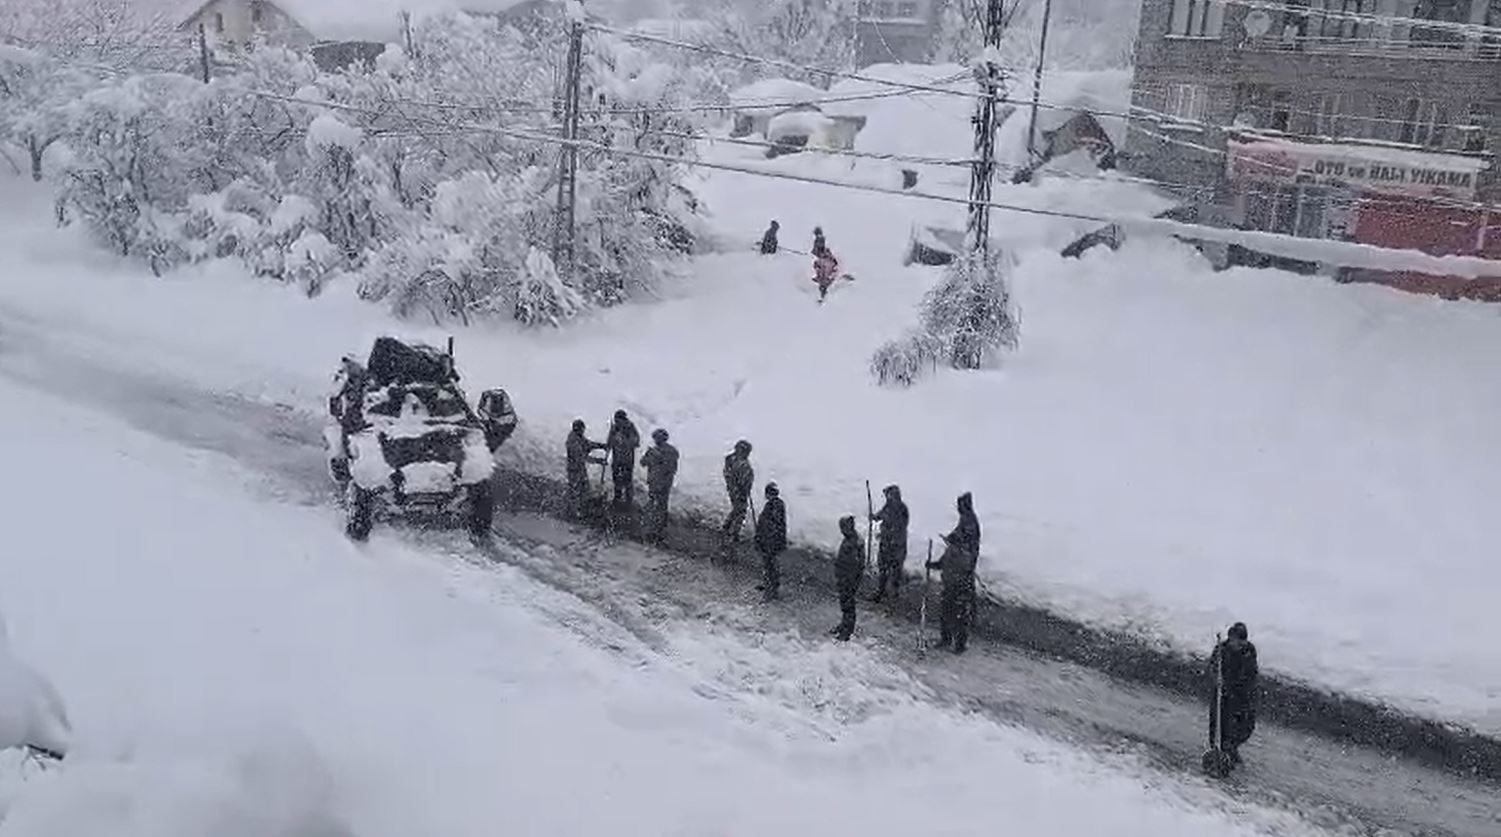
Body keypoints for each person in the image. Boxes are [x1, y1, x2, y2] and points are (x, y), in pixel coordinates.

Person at [928, 492, 980, 654]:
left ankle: (960, 644)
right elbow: (944, 562)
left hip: (961, 584)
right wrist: (933, 564)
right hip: (950, 584)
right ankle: (946, 638)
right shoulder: (964, 522)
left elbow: (965, 560)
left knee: (959, 614)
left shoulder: (969, 524)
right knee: (946, 611)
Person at [1209, 622, 1259, 766]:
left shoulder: (1249, 651)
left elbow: (1250, 674)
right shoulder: (1221, 650)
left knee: (1245, 725)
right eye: (1235, 641)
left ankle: (1232, 747)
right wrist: (1217, 680)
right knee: (1220, 723)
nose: (1237, 645)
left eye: (1240, 642)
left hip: (1242, 695)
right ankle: (1221, 751)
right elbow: (1212, 667)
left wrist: (1239, 688)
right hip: (1223, 694)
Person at [869, 485, 909, 603]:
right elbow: (881, 515)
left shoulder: (901, 509)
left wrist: (886, 534)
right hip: (886, 544)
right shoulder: (888, 506)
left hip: (897, 545)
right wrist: (874, 517)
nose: (887, 497)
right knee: (883, 568)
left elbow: (899, 526)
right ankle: (881, 591)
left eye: (888, 495)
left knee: (895, 569)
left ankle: (894, 595)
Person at [640, 428, 679, 543]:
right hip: (654, 481)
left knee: (661, 505)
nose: (656, 440)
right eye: (655, 438)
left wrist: (658, 457)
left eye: (658, 438)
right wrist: (648, 454)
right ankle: (652, 528)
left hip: (663, 482)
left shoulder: (671, 451)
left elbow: (671, 468)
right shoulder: (654, 450)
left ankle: (659, 529)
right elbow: (643, 463)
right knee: (654, 504)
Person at [565, 419, 607, 520]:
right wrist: (598, 461)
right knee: (575, 491)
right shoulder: (572, 441)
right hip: (574, 470)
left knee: (585, 489)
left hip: (580, 469)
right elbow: (582, 457)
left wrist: (601, 446)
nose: (583, 431)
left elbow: (588, 444)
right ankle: (574, 512)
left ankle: (584, 511)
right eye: (582, 429)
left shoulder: (579, 438)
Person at [831, 515, 865, 641]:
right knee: (844, 603)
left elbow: (856, 565)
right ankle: (844, 624)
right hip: (844, 577)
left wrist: (849, 580)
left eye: (843, 527)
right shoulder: (850, 539)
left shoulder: (854, 543)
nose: (841, 530)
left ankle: (847, 630)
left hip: (849, 579)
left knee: (848, 604)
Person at [753, 483, 787, 601]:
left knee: (770, 564)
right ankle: (769, 584)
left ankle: (771, 588)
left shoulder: (774, 506)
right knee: (769, 564)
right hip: (771, 541)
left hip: (771, 542)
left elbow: (771, 525)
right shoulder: (774, 504)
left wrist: (763, 539)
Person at [721, 440, 755, 547]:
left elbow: (728, 474)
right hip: (738, 490)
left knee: (737, 509)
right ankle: (734, 532)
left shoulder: (731, 460)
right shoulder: (740, 463)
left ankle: (727, 527)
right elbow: (741, 478)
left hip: (735, 489)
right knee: (741, 510)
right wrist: (744, 487)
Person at [605, 409, 641, 512]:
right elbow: (609, 441)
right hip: (617, 459)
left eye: (618, 420)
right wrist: (610, 443)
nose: (617, 422)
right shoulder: (615, 428)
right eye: (616, 420)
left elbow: (636, 442)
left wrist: (625, 441)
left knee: (627, 480)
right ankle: (617, 499)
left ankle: (628, 501)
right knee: (616, 479)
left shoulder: (630, 427)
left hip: (627, 459)